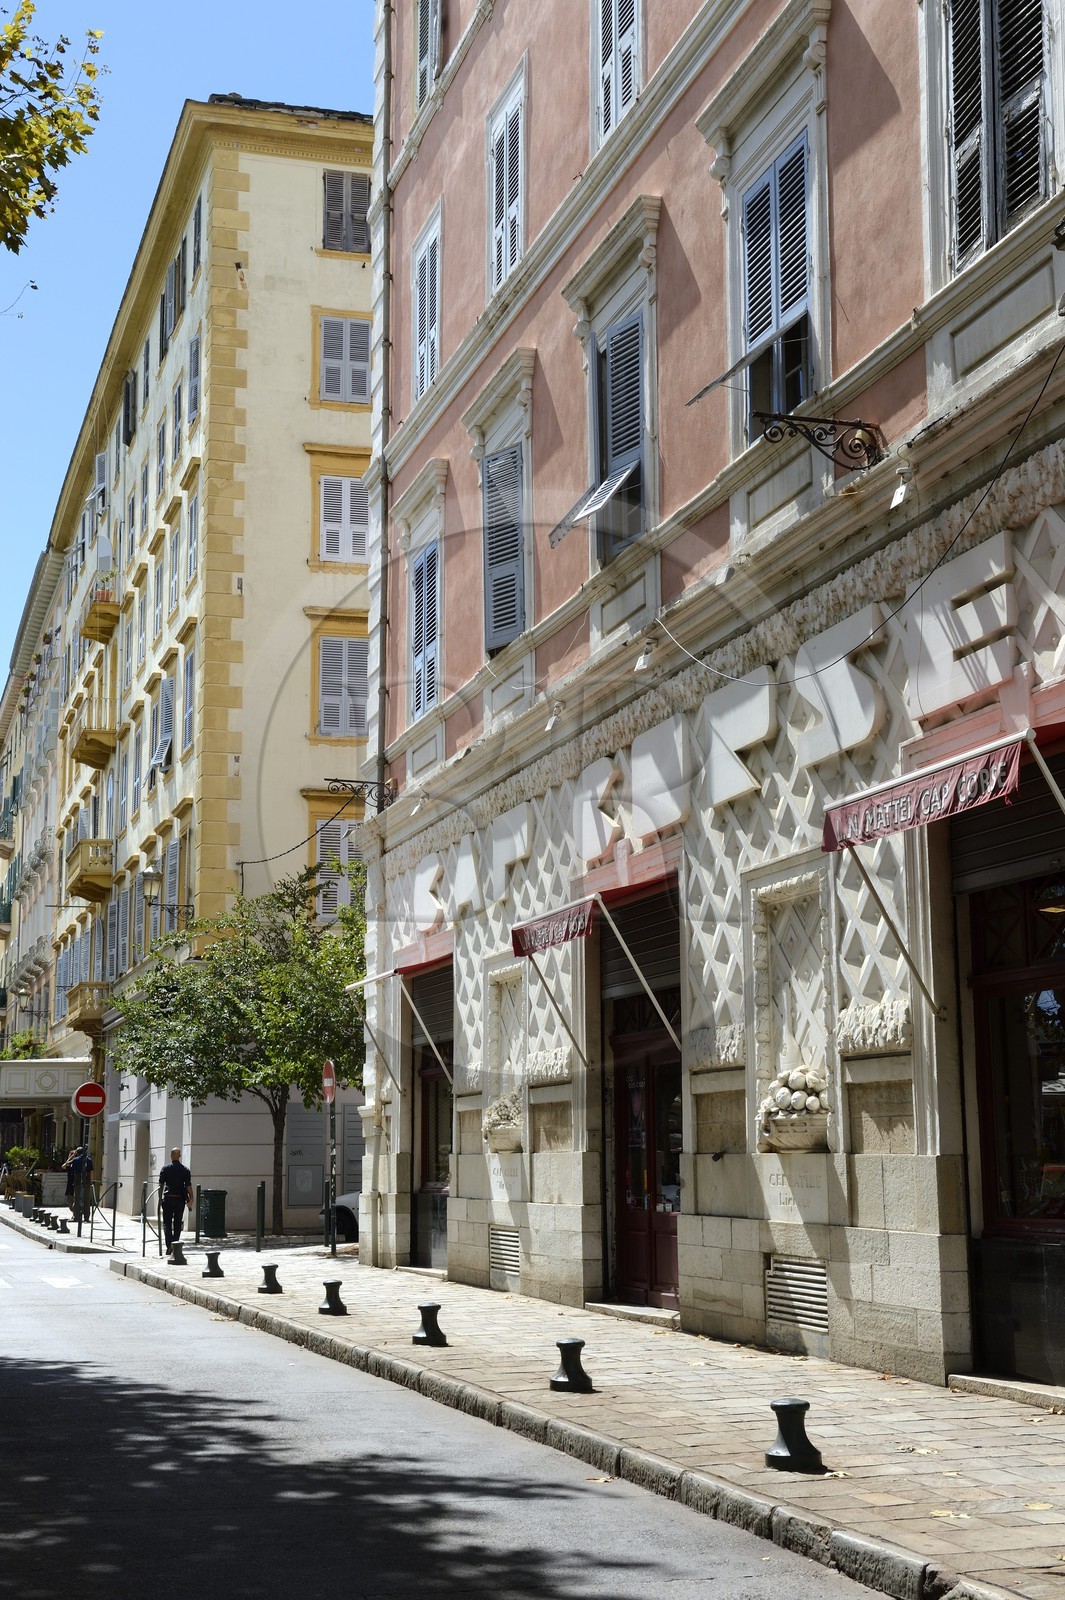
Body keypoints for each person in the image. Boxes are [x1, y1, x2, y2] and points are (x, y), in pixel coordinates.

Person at [158, 1147, 193, 1250]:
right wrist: (191, 1198)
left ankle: (169, 1245)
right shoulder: (185, 1170)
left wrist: (160, 1199)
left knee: (167, 1223)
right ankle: (175, 1245)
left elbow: (161, 1185)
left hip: (168, 1199)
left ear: (171, 1156)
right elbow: (188, 1185)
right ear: (180, 1156)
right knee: (178, 1223)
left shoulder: (165, 1168)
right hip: (180, 1200)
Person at [62, 1146, 93, 1219]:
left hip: (78, 1181)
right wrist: (91, 1181)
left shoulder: (75, 1160)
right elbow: (91, 1172)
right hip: (87, 1181)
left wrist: (72, 1156)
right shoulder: (89, 1160)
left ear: (77, 1153)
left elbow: (65, 1165)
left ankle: (76, 1216)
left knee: (77, 1198)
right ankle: (86, 1216)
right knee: (86, 1199)